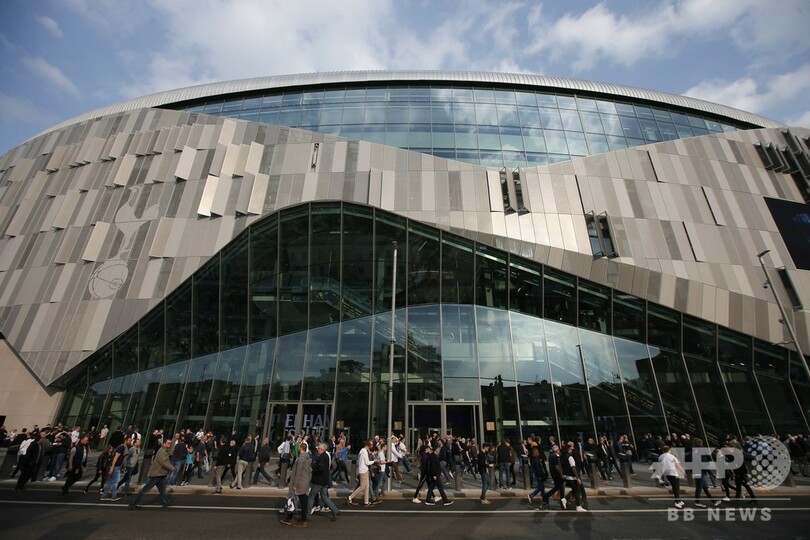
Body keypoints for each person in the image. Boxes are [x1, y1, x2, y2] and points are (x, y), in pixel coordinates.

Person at [128, 437, 175, 510]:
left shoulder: (165, 451)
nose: (170, 445)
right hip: (156, 474)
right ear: (164, 444)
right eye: (168, 443)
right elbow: (163, 462)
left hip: (161, 474)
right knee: (145, 490)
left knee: (162, 489)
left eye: (170, 443)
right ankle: (132, 504)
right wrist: (172, 468)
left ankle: (165, 501)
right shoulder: (162, 452)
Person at [281, 441, 311, 527]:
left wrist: (295, 484)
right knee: (297, 500)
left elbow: (298, 472)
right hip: (304, 482)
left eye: (299, 447)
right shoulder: (307, 458)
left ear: (301, 448)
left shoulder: (301, 458)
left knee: (297, 500)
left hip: (300, 482)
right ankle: (290, 517)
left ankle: (302, 520)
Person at [307, 442, 339, 522]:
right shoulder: (326, 456)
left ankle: (307, 515)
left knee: (311, 497)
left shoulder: (322, 457)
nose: (317, 449)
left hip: (318, 481)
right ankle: (335, 510)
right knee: (324, 497)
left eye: (318, 448)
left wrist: (313, 470)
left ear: (321, 449)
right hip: (324, 481)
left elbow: (320, 468)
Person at [691, 437, 721, 508]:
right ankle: (697, 502)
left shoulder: (694, 452)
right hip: (701, 472)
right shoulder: (701, 453)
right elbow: (704, 464)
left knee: (704, 488)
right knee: (699, 488)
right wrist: (711, 473)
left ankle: (714, 501)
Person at [347, 440, 376, 507]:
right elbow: (367, 462)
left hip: (364, 470)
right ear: (367, 445)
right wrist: (374, 461)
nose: (371, 446)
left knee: (367, 487)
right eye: (370, 445)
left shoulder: (362, 451)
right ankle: (350, 497)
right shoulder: (364, 452)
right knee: (362, 487)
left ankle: (366, 501)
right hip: (363, 470)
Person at [101, 436, 130, 501]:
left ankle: (104, 495)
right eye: (129, 440)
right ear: (125, 441)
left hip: (115, 466)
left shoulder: (121, 447)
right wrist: (112, 467)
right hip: (116, 466)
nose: (130, 442)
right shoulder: (122, 447)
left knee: (110, 481)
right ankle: (114, 496)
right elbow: (116, 457)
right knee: (116, 482)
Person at [561, 442, 587, 512]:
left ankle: (565, 499)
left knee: (575, 490)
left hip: (567, 477)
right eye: (571, 449)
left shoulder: (564, 457)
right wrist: (577, 477)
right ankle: (578, 506)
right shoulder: (570, 457)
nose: (572, 450)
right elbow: (573, 467)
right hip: (572, 477)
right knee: (577, 490)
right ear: (569, 449)